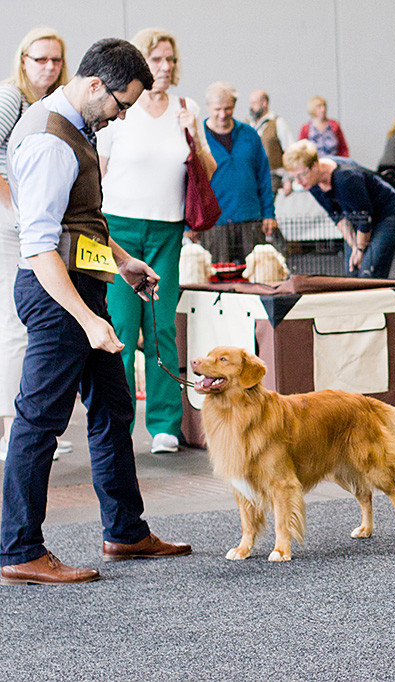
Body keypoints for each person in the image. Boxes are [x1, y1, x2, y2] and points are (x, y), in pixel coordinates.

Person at [1, 37, 191, 586]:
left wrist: (124, 261)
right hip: (58, 299)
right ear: (92, 86)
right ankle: (18, 549)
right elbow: (39, 247)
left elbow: (79, 222)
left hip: (85, 288)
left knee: (112, 411)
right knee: (39, 422)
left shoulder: (78, 128)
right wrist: (86, 319)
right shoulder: (48, 140)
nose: (122, 115)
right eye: (120, 104)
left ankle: (126, 533)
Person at [97, 28, 215, 456]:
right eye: (156, 60)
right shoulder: (120, 110)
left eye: (170, 60)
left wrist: (194, 135)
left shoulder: (187, 108)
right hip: (120, 227)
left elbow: (208, 171)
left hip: (168, 229)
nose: (164, 68)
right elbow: (99, 171)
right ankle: (118, 422)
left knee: (162, 326)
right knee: (123, 327)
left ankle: (165, 424)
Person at [0, 28, 69, 463]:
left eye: (56, 61)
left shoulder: (51, 105)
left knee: (34, 327)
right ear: (23, 59)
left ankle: (32, 425)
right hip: (14, 227)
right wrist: (14, 212)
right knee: (15, 328)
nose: (48, 67)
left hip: (39, 227)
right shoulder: (10, 98)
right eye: (40, 59)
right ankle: (15, 429)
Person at [283, 140, 395, 278]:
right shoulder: (312, 182)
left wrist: (360, 249)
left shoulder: (345, 178)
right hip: (360, 217)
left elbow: (364, 219)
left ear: (315, 165)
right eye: (294, 177)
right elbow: (337, 216)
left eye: (301, 174)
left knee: (369, 273)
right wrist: (354, 246)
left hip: (388, 213)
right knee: (351, 273)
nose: (298, 181)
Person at [199, 81, 279, 265]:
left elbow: (263, 176)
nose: (222, 114)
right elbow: (191, 183)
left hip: (250, 218)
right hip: (214, 223)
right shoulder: (198, 137)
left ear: (234, 105)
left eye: (228, 108)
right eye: (217, 109)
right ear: (207, 107)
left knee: (257, 273)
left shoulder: (250, 134)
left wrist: (269, 213)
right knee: (217, 277)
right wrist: (190, 224)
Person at [247, 89, 294, 194]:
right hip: (251, 174)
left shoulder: (278, 122)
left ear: (264, 103)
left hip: (273, 174)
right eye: (250, 103)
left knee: (265, 201)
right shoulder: (248, 124)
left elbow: (290, 152)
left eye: (254, 103)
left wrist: (288, 179)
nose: (251, 107)